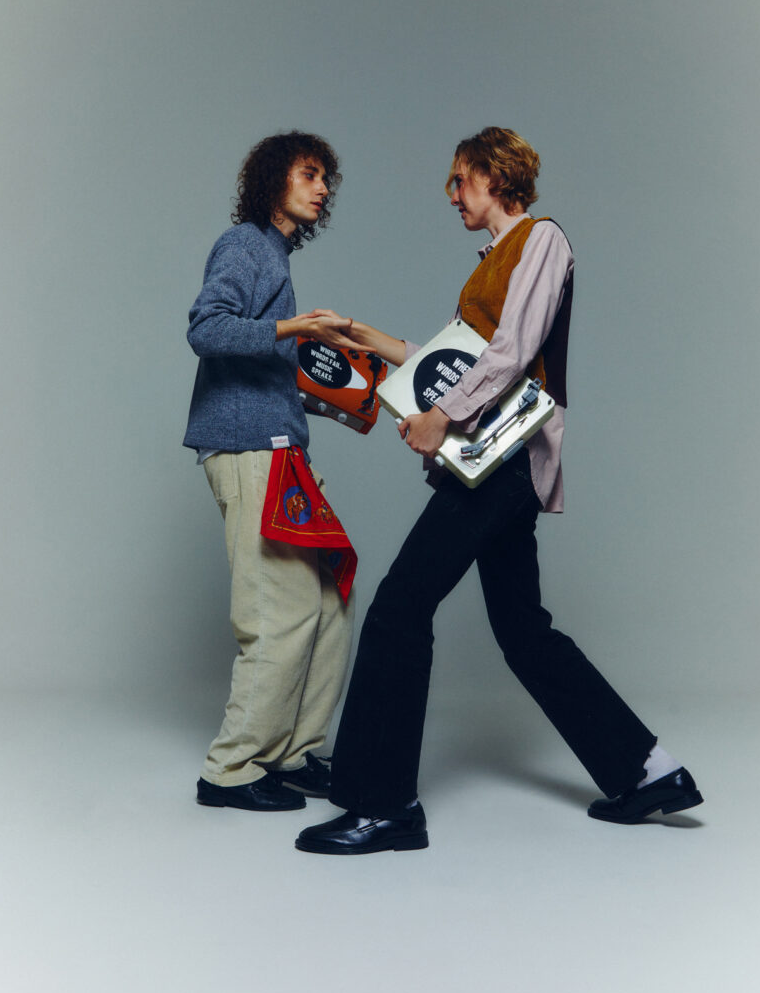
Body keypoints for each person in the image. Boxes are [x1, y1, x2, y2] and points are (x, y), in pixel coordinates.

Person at [296, 126, 703, 854]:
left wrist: (438, 418)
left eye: (461, 180)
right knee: (522, 631)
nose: (453, 195)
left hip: (502, 461)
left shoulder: (541, 240)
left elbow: (510, 355)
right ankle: (648, 772)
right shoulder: (490, 265)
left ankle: (383, 804)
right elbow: (450, 360)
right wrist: (356, 332)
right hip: (489, 462)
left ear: (495, 174)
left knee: (398, 606)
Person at [184, 131, 357, 813]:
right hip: (247, 447)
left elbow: (261, 360)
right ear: (273, 181)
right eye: (310, 175)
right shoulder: (245, 246)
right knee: (278, 612)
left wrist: (338, 398)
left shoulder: (274, 256)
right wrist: (293, 330)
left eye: (325, 180)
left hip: (280, 445)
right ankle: (230, 770)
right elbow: (207, 328)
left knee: (331, 600)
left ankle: (292, 751)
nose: (321, 189)